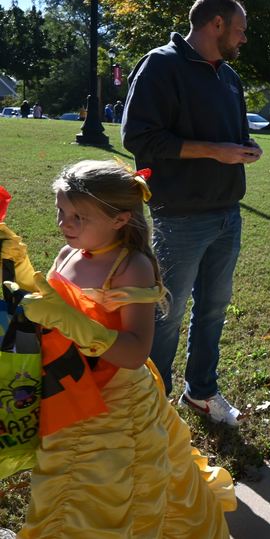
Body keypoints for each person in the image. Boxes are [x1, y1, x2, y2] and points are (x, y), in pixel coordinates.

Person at [1, 160, 234, 536]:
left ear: (120, 220)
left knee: (102, 490)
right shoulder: (68, 253)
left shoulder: (132, 267)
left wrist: (65, 318)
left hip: (115, 403)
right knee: (60, 483)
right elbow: (54, 316)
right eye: (61, 212)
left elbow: (134, 352)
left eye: (79, 217)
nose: (65, 224)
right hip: (69, 388)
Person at [121, 0, 261, 426]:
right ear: (215, 24)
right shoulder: (161, 65)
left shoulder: (230, 78)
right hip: (179, 216)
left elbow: (232, 139)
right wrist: (213, 151)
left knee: (214, 308)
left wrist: (244, 148)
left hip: (227, 213)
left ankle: (200, 391)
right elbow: (140, 139)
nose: (242, 39)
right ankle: (151, 404)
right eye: (238, 30)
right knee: (166, 312)